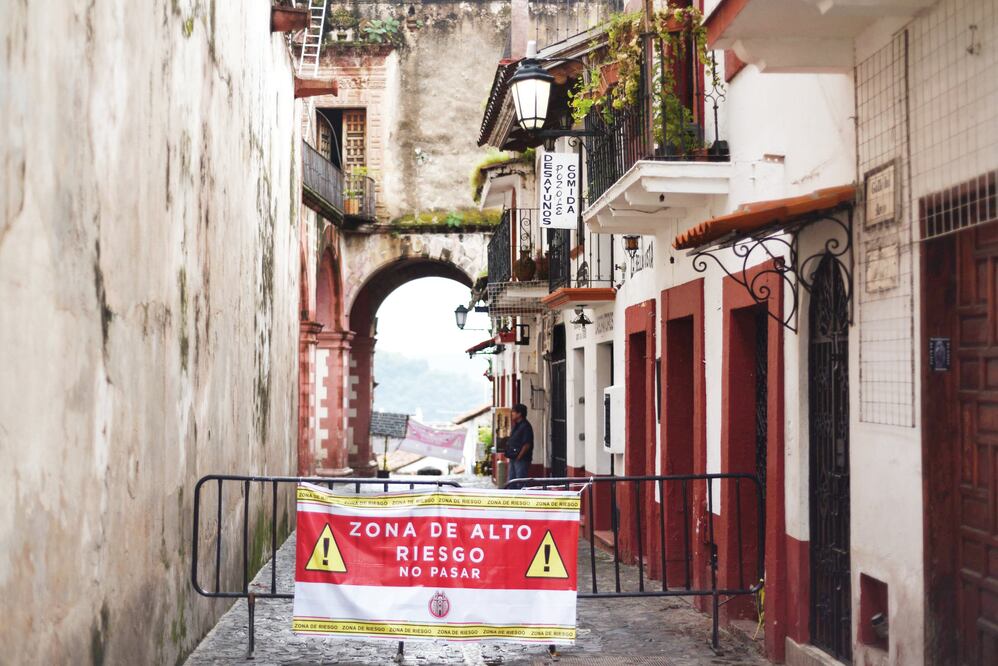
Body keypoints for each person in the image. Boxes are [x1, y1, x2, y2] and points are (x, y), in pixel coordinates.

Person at [505, 403, 533, 482]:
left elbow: (527, 444)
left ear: (519, 414)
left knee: (520, 481)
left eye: (513, 412)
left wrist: (519, 457)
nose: (512, 414)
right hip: (513, 458)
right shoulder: (516, 426)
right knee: (511, 481)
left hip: (521, 459)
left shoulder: (526, 426)